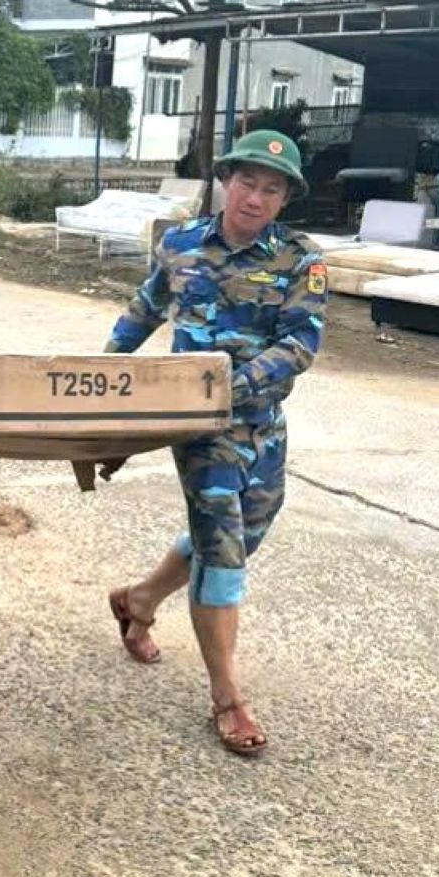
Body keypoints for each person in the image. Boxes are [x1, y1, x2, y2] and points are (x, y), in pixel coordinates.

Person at [104, 129, 327, 757]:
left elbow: (299, 345)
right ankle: (227, 697)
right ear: (226, 181)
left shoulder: (300, 261)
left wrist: (232, 384)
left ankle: (140, 599)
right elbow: (142, 313)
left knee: (241, 533)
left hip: (262, 425)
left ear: (285, 199)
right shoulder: (179, 244)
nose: (255, 197)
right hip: (197, 427)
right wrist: (97, 382)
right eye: (246, 182)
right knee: (223, 549)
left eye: (271, 189)